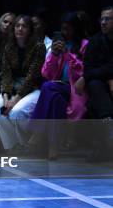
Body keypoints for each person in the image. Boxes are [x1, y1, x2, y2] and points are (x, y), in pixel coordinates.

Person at [29, 12, 89, 159]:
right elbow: (46, 73)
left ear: (76, 29)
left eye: (68, 28)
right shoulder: (58, 46)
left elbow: (83, 70)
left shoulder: (85, 45)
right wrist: (54, 55)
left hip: (75, 88)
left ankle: (37, 132)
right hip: (59, 87)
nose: (65, 32)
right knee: (56, 100)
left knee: (47, 87)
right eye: (63, 29)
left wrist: (68, 54)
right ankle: (53, 148)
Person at [0, 15, 46, 151]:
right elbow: (6, 76)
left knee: (16, 112)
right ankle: (13, 145)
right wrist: (6, 97)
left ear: (30, 30)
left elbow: (31, 77)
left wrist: (14, 101)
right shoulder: (9, 47)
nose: (20, 29)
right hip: (12, 87)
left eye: (24, 26)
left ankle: (26, 144)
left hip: (34, 88)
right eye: (17, 26)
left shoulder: (38, 47)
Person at [83, 7, 113, 120]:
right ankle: (108, 120)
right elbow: (88, 70)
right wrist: (109, 79)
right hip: (100, 83)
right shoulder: (95, 40)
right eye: (102, 19)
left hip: (103, 79)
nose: (103, 23)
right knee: (94, 84)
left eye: (108, 19)